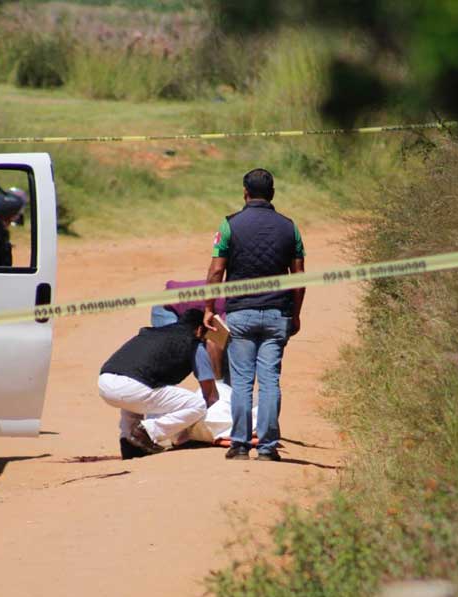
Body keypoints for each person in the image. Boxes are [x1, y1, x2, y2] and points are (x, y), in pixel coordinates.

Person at [204, 168, 306, 461]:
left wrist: (210, 308)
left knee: (242, 381)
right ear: (272, 194)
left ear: (245, 194)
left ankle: (238, 445)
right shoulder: (290, 228)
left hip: (240, 314)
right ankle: (267, 447)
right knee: (270, 381)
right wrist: (295, 315)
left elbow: (215, 271)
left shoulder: (228, 226)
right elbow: (299, 279)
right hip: (277, 314)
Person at [98, 309, 219, 459]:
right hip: (133, 386)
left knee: (135, 397)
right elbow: (210, 396)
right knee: (197, 405)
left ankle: (129, 441)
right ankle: (147, 432)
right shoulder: (194, 343)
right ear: (200, 329)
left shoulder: (154, 332)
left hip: (105, 381)